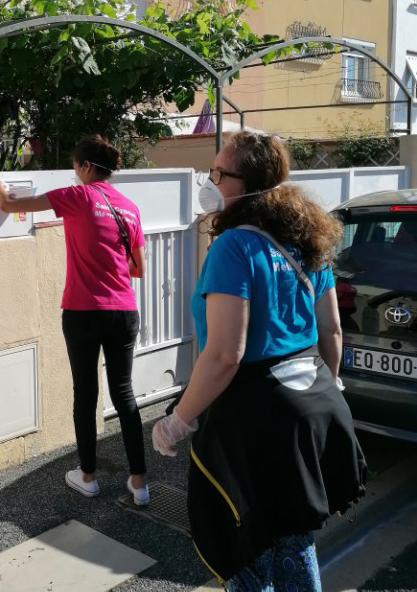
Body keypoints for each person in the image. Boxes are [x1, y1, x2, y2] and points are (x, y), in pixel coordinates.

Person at [152, 131, 367, 590]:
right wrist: (329, 386)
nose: (210, 181)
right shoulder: (306, 238)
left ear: (243, 184)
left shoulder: (234, 247)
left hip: (254, 421)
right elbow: (331, 330)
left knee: (244, 544)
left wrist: (178, 420)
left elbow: (226, 355)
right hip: (308, 408)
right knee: (293, 540)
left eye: (218, 173)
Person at [0, 135, 150, 505]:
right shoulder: (129, 207)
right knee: (124, 394)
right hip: (124, 311)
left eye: (75, 167)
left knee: (86, 393)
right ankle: (140, 484)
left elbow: (10, 203)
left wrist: (0, 185)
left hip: (83, 311)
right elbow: (138, 268)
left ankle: (88, 476)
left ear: (85, 167)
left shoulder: (78, 196)